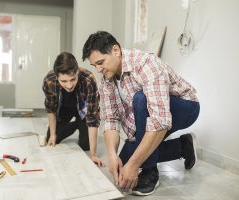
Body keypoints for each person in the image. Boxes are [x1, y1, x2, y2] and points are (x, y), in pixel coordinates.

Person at [82, 31, 200, 196]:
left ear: (116, 50)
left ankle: (150, 172)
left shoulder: (146, 64)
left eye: (101, 62)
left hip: (185, 107)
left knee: (140, 98)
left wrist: (135, 165)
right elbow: (111, 120)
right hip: (154, 117)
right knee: (123, 162)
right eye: (94, 66)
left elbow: (159, 121)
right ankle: (182, 147)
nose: (99, 69)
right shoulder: (106, 81)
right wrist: (112, 155)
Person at [42, 52, 103, 166]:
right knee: (51, 138)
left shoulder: (88, 79)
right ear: (56, 76)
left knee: (86, 145)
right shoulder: (49, 81)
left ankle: (80, 123)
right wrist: (53, 135)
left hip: (82, 110)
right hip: (64, 109)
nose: (69, 85)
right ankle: (75, 124)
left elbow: (93, 116)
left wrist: (93, 154)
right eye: (64, 81)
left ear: (77, 72)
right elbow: (51, 109)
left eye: (72, 79)